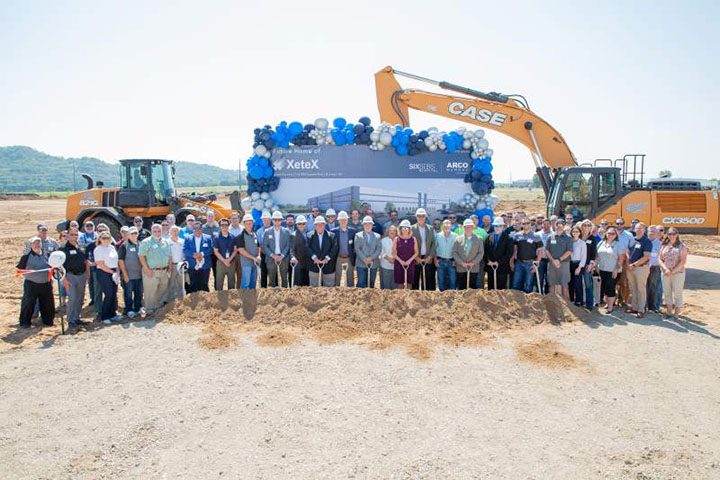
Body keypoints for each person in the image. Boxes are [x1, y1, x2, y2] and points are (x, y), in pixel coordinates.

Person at [17, 237, 55, 328]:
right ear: (31, 245)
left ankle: (48, 321)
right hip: (31, 284)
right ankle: (25, 322)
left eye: (38, 243)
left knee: (48, 303)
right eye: (34, 243)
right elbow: (20, 270)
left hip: (46, 284)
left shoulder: (47, 254)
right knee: (28, 303)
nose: (37, 245)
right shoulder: (26, 256)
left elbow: (53, 267)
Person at [138, 223, 172, 314]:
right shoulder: (146, 242)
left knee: (162, 289)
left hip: (164, 270)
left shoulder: (165, 242)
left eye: (159, 231)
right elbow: (141, 256)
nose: (157, 233)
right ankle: (149, 310)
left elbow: (169, 255)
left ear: (162, 231)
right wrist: (146, 269)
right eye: (155, 231)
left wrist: (169, 267)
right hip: (151, 271)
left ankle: (158, 309)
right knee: (150, 291)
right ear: (151, 231)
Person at [61, 229, 90, 332]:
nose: (74, 236)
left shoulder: (81, 247)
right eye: (72, 235)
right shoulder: (63, 249)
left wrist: (87, 275)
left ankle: (77, 318)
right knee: (72, 298)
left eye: (76, 234)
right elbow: (59, 266)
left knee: (80, 298)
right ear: (67, 236)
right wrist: (64, 280)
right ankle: (70, 321)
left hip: (82, 276)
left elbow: (86, 261)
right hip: (70, 276)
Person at [659, 227, 688, 318]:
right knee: (667, 292)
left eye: (674, 234)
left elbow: (683, 261)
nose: (672, 235)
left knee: (677, 293)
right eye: (670, 234)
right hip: (665, 272)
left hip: (678, 273)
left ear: (677, 235)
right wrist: (665, 269)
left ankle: (676, 313)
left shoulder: (682, 246)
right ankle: (669, 311)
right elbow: (659, 259)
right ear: (667, 235)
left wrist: (673, 271)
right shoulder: (664, 245)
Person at [625, 222, 652, 318]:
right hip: (630, 268)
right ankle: (634, 307)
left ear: (644, 230)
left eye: (641, 228)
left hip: (641, 268)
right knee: (633, 288)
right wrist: (628, 262)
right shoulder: (633, 240)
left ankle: (641, 309)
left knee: (641, 289)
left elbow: (646, 256)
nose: (639, 230)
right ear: (634, 229)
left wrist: (634, 265)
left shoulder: (646, 241)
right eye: (637, 228)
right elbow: (627, 252)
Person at [94, 232, 121, 324]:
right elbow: (100, 264)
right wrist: (112, 272)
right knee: (108, 294)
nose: (106, 240)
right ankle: (105, 316)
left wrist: (117, 271)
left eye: (107, 238)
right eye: (103, 238)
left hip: (113, 271)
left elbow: (116, 261)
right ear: (100, 239)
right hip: (104, 272)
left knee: (114, 293)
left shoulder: (112, 247)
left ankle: (112, 314)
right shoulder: (98, 249)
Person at [117, 227, 143, 318]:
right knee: (128, 294)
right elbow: (120, 261)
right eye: (132, 233)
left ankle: (138, 308)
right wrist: (124, 274)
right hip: (129, 275)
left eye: (135, 233)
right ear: (128, 235)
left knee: (139, 293)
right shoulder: (124, 246)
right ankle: (129, 309)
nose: (134, 235)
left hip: (139, 275)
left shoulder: (140, 244)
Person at [512, 219, 544, 294]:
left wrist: (537, 264)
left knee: (528, 285)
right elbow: (514, 249)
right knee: (516, 283)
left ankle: (527, 304)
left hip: (530, 263)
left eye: (527, 223)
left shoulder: (536, 236)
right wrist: (512, 261)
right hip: (519, 263)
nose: (526, 224)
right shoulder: (517, 235)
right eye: (524, 223)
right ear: (521, 225)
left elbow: (540, 251)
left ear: (530, 224)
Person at [452, 219, 484, 290]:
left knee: (472, 288)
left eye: (470, 227)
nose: (468, 229)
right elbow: (454, 252)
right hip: (461, 268)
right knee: (461, 287)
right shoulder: (458, 239)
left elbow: (481, 253)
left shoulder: (479, 239)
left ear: (473, 227)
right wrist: (461, 263)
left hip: (473, 268)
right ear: (463, 228)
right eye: (466, 227)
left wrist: (473, 263)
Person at [596, 227, 622, 312]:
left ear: (616, 235)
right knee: (604, 288)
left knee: (610, 288)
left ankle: (610, 307)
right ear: (606, 234)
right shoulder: (601, 243)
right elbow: (597, 256)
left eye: (613, 233)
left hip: (612, 270)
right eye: (609, 233)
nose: (610, 235)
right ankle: (607, 303)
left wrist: (616, 269)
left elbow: (621, 259)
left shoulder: (618, 244)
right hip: (602, 269)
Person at [307, 216, 337, 287]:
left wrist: (327, 258)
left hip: (329, 265)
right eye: (318, 224)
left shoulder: (332, 236)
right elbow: (307, 248)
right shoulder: (309, 236)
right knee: (314, 287)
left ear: (325, 225)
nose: (320, 226)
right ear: (315, 225)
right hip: (314, 265)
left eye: (322, 224)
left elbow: (334, 248)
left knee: (329, 287)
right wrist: (314, 258)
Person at [263, 211, 291, 287]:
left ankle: (284, 297)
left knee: (284, 278)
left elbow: (288, 245)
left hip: (283, 258)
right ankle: (273, 296)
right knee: (272, 279)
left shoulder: (287, 232)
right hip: (271, 258)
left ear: (281, 221)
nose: (277, 222)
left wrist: (282, 255)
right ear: (272, 220)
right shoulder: (267, 232)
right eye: (275, 220)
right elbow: (265, 246)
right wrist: (273, 255)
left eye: (279, 220)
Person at [544, 224, 573, 298]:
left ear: (563, 227)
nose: (559, 227)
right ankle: (552, 302)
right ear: (555, 226)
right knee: (551, 283)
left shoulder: (568, 238)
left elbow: (569, 251)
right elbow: (547, 250)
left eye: (561, 226)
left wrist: (559, 260)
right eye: (557, 225)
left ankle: (567, 305)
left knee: (564, 284)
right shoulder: (550, 237)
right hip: (551, 263)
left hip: (564, 263)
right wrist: (553, 260)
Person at [411, 208, 436, 291]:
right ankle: (415, 300)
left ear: (426, 217)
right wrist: (415, 257)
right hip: (416, 258)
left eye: (423, 216)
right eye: (419, 216)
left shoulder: (431, 228)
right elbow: (409, 245)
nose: (421, 217)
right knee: (415, 281)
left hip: (427, 258)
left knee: (428, 281)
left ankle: (428, 300)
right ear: (416, 217)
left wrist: (430, 257)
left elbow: (434, 244)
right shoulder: (411, 229)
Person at [484, 217, 513, 290]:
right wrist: (488, 261)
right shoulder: (489, 236)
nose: (497, 227)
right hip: (491, 267)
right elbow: (485, 250)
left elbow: (508, 253)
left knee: (501, 289)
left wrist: (498, 262)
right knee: (491, 289)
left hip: (502, 268)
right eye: (496, 226)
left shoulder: (508, 238)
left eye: (499, 226)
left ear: (503, 226)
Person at [184, 222, 213, 293]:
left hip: (205, 266)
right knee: (193, 285)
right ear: (193, 229)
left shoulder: (208, 238)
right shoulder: (188, 238)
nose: (197, 230)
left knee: (204, 284)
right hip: (192, 265)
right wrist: (193, 255)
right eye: (195, 228)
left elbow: (211, 249)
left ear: (202, 229)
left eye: (199, 228)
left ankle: (205, 302)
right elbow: (185, 249)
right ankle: (194, 302)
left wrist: (202, 254)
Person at [354, 216, 382, 288]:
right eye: (365, 224)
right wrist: (364, 259)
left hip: (373, 264)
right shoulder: (358, 235)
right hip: (361, 263)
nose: (367, 225)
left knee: (371, 283)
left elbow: (378, 249)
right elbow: (357, 249)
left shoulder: (377, 236)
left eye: (369, 224)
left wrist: (371, 258)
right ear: (363, 225)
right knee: (361, 283)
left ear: (372, 225)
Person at [331, 211, 357, 287]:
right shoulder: (333, 231)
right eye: (341, 220)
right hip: (338, 257)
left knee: (350, 277)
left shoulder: (353, 231)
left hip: (349, 257)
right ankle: (337, 293)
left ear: (347, 220)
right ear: (338, 221)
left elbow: (354, 246)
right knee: (337, 276)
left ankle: (351, 293)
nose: (343, 221)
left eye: (344, 220)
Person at [236, 214, 262, 289]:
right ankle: (245, 300)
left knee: (253, 283)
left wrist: (259, 256)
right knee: (246, 283)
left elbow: (258, 246)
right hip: (246, 264)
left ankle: (251, 299)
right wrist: (253, 258)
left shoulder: (254, 234)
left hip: (255, 263)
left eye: (251, 223)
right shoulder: (241, 236)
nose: (249, 225)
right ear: (244, 224)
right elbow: (241, 250)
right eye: (247, 224)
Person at [614, 217, 636, 307]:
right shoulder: (611, 233)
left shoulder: (629, 235)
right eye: (617, 223)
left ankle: (623, 300)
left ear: (623, 224)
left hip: (624, 261)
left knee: (624, 282)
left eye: (621, 223)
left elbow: (632, 248)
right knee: (613, 282)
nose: (619, 225)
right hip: (613, 260)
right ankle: (613, 300)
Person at [392, 220, 418, 289]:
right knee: (400, 283)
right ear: (400, 229)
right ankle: (401, 298)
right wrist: (401, 261)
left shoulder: (413, 239)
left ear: (409, 229)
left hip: (410, 263)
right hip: (399, 263)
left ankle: (408, 298)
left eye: (407, 228)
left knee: (409, 282)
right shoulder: (396, 239)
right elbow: (393, 253)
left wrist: (409, 261)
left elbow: (416, 252)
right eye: (403, 228)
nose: (405, 229)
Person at [214, 218, 237, 290]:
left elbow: (235, 250)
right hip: (221, 263)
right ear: (220, 226)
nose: (224, 227)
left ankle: (231, 300)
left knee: (232, 282)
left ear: (228, 226)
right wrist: (224, 260)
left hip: (231, 263)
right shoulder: (217, 238)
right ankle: (220, 300)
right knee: (219, 283)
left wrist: (229, 259)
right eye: (222, 225)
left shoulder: (233, 237)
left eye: (226, 225)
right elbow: (216, 251)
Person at [434, 220, 457, 291]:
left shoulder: (455, 236)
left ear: (451, 225)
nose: (447, 225)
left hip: (451, 262)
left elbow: (457, 250)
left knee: (452, 281)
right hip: (440, 261)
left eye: (448, 223)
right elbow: (434, 249)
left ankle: (452, 299)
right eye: (445, 224)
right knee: (441, 281)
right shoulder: (437, 236)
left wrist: (456, 260)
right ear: (442, 226)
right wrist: (435, 260)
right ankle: (442, 299)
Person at [579, 220, 597, 309]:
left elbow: (594, 253)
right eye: (585, 225)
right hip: (578, 264)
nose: (586, 226)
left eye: (588, 225)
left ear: (591, 227)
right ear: (582, 226)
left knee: (588, 285)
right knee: (578, 284)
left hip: (587, 265)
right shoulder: (578, 236)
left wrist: (591, 264)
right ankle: (580, 302)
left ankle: (589, 305)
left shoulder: (592, 238)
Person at [646, 225, 663, 313]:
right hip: (643, 267)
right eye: (650, 231)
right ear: (647, 232)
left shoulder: (660, 244)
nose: (651, 233)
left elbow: (661, 257)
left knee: (653, 287)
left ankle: (652, 307)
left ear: (657, 233)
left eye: (653, 231)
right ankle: (643, 305)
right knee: (643, 287)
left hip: (654, 268)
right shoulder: (644, 241)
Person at [569, 226, 587, 306]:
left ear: (579, 233)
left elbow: (584, 256)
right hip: (570, 264)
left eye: (577, 232)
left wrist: (579, 267)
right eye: (573, 232)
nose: (575, 233)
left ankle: (579, 300)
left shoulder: (582, 243)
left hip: (578, 264)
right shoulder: (569, 242)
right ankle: (571, 299)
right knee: (570, 283)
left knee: (578, 283)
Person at [289, 215, 310, 287]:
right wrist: (292, 257)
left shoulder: (308, 234)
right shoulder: (293, 235)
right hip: (298, 262)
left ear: (305, 224)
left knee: (306, 284)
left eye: (303, 223)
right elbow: (291, 249)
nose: (301, 225)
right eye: (299, 224)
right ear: (296, 224)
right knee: (298, 284)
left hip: (307, 262)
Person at [167, 225, 185, 302]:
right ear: (170, 232)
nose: (175, 232)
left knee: (181, 283)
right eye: (173, 230)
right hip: (172, 265)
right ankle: (171, 301)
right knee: (171, 283)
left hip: (181, 265)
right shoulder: (167, 242)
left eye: (176, 231)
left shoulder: (182, 241)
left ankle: (181, 300)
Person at [536, 218, 554, 294]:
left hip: (549, 260)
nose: (546, 226)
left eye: (548, 224)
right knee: (539, 278)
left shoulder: (554, 235)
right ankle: (539, 294)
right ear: (542, 224)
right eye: (544, 224)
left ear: (550, 225)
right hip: (540, 259)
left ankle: (547, 295)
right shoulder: (537, 234)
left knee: (548, 279)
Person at [256, 210, 272, 288]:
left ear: (270, 220)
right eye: (264, 220)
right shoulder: (259, 232)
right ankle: (263, 289)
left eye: (267, 219)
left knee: (273, 273)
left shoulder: (274, 230)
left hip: (272, 255)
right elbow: (258, 244)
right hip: (263, 254)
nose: (266, 221)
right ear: (262, 220)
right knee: (263, 272)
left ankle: (274, 289)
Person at [227, 211, 243, 287]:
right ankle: (232, 290)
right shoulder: (227, 229)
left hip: (241, 255)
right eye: (232, 218)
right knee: (231, 274)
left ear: (239, 219)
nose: (234, 220)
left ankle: (239, 289)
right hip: (230, 255)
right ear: (230, 219)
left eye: (236, 218)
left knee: (240, 273)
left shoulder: (243, 229)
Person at [379, 225, 398, 289]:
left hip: (396, 266)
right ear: (388, 232)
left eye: (394, 231)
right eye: (390, 231)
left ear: (396, 232)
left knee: (395, 285)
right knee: (386, 286)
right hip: (385, 265)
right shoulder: (383, 240)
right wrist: (388, 258)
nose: (392, 232)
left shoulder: (399, 240)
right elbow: (381, 251)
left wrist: (395, 259)